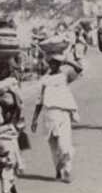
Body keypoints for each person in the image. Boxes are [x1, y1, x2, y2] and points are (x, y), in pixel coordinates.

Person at [31, 55, 82, 183]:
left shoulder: (64, 77)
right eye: (51, 63)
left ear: (59, 64)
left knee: (64, 145)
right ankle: (58, 170)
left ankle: (67, 170)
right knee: (53, 146)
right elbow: (40, 100)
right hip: (49, 115)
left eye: (56, 63)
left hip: (63, 114)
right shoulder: (45, 80)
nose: (53, 65)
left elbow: (79, 69)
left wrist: (68, 60)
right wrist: (34, 119)